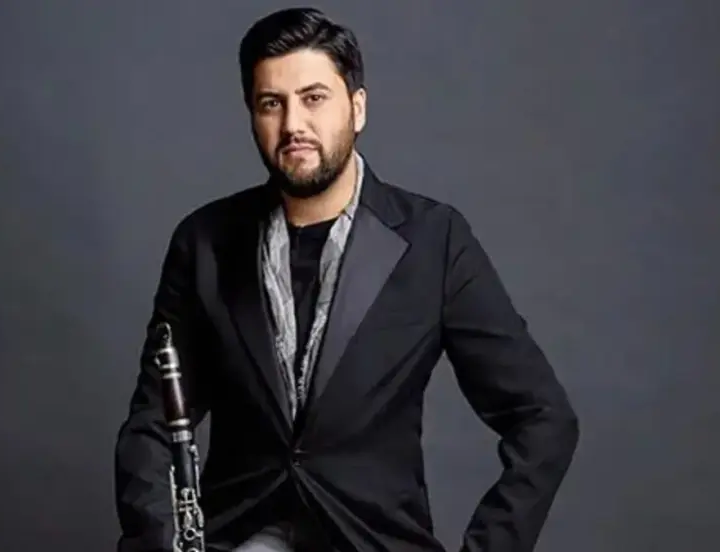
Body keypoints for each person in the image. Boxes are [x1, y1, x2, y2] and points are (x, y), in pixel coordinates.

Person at [114, 7, 579, 552]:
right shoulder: (204, 242)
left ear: (357, 108)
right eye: (271, 103)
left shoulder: (435, 240)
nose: (293, 125)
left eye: (314, 98)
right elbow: (152, 422)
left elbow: (543, 418)